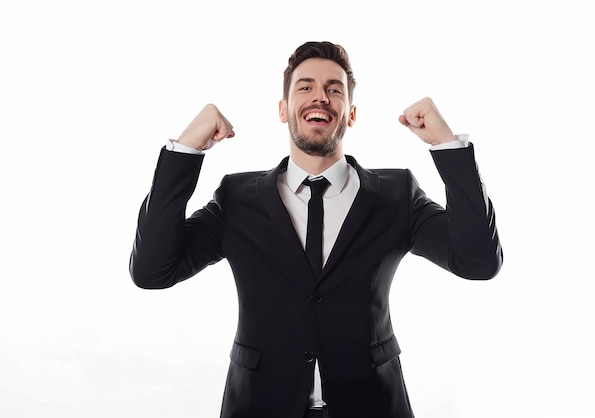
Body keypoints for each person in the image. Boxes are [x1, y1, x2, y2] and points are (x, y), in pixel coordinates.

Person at [129, 41, 503, 418]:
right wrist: (186, 151)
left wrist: (446, 145)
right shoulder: (237, 199)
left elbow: (478, 262)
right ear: (283, 109)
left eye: (334, 89)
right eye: (304, 87)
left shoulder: (396, 195)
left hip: (371, 406)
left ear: (351, 113)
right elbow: (153, 271)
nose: (319, 97)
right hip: (260, 407)